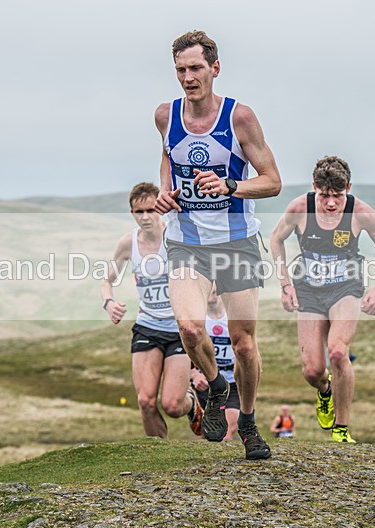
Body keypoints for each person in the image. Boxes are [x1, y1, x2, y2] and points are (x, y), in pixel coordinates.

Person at [154, 30, 282, 460]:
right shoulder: (164, 115)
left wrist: (230, 184)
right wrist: (166, 191)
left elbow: (272, 182)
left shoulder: (239, 117)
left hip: (236, 242)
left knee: (243, 342)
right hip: (185, 241)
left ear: (215, 68)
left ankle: (246, 420)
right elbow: (168, 158)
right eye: (181, 70)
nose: (188, 78)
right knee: (190, 327)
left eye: (195, 68)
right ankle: (216, 386)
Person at [270, 156, 375, 443]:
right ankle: (325, 390)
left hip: (346, 289)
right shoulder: (300, 208)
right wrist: (284, 284)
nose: (330, 203)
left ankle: (341, 428)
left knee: (339, 352)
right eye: (324, 195)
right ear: (314, 187)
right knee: (312, 370)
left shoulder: (360, 212)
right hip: (310, 291)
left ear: (348, 189)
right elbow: (275, 239)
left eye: (338, 196)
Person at [101, 182, 204, 438]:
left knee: (172, 405)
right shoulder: (128, 244)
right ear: (132, 213)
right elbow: (107, 280)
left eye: (150, 210)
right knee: (146, 402)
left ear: (160, 208)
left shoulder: (176, 236)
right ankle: (159, 458)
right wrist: (109, 302)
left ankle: (191, 404)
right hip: (148, 326)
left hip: (178, 329)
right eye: (139, 212)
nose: (146, 217)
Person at [190, 285, 240, 441]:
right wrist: (194, 375)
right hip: (206, 382)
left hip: (231, 383)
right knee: (208, 433)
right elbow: (185, 352)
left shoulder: (233, 318)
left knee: (227, 432)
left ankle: (224, 464)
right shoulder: (197, 320)